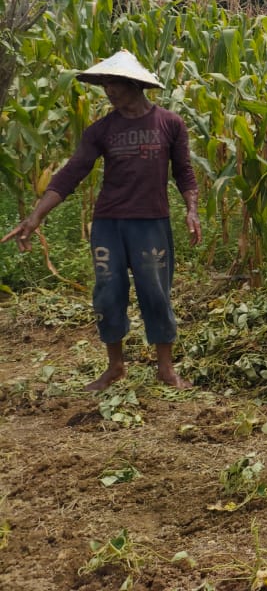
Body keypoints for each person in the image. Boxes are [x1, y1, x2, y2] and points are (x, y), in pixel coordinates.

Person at [2, 50, 201, 390]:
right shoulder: (101, 130)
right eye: (104, 83)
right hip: (109, 224)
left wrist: (191, 209)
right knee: (108, 295)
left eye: (113, 83)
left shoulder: (169, 123)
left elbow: (184, 173)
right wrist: (34, 218)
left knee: (155, 294)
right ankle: (115, 367)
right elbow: (71, 174)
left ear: (133, 83)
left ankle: (166, 369)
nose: (108, 90)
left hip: (151, 223)